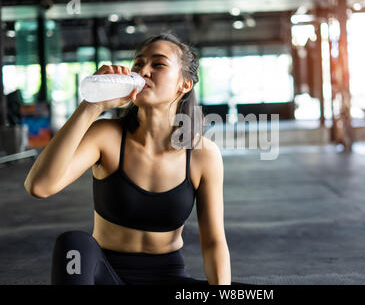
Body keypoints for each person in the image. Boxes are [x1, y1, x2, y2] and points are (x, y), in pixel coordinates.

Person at [24, 33, 245, 285]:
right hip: (107, 277)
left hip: (168, 278)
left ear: (184, 84)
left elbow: (214, 242)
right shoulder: (106, 135)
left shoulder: (203, 154)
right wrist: (92, 105)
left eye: (158, 64)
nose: (144, 71)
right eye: (138, 64)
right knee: (73, 244)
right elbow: (39, 186)